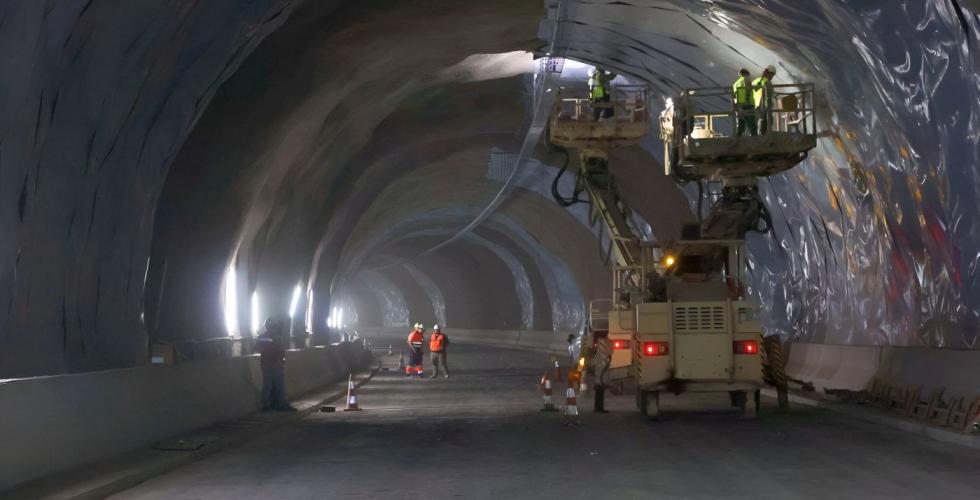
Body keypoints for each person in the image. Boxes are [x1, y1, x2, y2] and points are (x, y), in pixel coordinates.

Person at [256, 316, 296, 412]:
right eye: (275, 326)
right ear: (274, 326)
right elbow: (281, 350)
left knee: (267, 385)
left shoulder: (261, 337)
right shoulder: (276, 337)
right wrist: (282, 360)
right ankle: (280, 405)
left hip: (265, 363)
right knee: (278, 385)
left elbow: (257, 348)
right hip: (276, 364)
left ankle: (267, 405)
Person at [732, 68, 757, 137]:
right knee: (752, 125)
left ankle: (737, 139)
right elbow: (749, 87)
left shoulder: (736, 83)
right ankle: (755, 141)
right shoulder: (746, 78)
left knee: (741, 125)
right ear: (746, 74)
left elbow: (733, 96)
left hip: (739, 106)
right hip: (747, 104)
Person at [753, 65, 776, 134]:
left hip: (754, 105)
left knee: (759, 123)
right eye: (772, 75)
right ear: (768, 73)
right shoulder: (767, 82)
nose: (772, 77)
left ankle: (760, 136)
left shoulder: (756, 80)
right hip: (763, 106)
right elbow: (770, 94)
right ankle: (764, 137)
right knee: (766, 121)